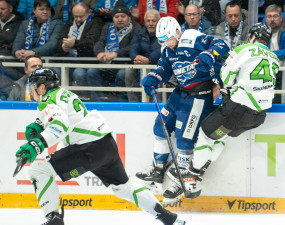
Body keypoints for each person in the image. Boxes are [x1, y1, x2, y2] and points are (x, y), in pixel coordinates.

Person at [15, 67, 186, 225]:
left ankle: (53, 219)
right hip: (105, 144)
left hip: (88, 149)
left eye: (33, 86)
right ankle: (165, 216)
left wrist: (35, 145)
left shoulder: (48, 101)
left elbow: (59, 125)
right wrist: (38, 126)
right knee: (123, 187)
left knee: (38, 170)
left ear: (42, 88)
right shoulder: (62, 94)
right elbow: (57, 117)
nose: (31, 91)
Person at [168, 22, 280, 201]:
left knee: (205, 133)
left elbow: (226, 76)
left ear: (252, 36)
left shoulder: (245, 49)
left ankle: (190, 174)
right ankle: (201, 169)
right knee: (220, 136)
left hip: (238, 108)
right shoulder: (274, 57)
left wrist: (227, 84)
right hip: (258, 116)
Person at [135, 16, 229, 204]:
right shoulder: (167, 48)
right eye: (162, 41)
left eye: (168, 39)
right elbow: (164, 67)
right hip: (179, 95)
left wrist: (210, 53)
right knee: (160, 127)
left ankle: (180, 178)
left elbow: (222, 45)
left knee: (185, 138)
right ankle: (158, 168)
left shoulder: (193, 37)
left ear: (177, 32)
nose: (166, 45)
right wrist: (154, 76)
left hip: (199, 96)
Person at [85, 0, 141, 101]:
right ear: (113, 18)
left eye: (123, 16)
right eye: (116, 17)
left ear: (129, 17)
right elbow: (100, 42)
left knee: (121, 75)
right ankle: (99, 102)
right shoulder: (107, 27)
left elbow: (134, 47)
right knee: (92, 72)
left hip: (125, 64)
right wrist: (99, 52)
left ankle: (122, 102)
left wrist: (115, 54)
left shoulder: (136, 28)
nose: (120, 19)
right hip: (107, 64)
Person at [56, 2, 104, 99]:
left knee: (79, 73)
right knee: (55, 71)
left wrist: (74, 44)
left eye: (81, 16)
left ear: (89, 13)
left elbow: (91, 44)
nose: (78, 19)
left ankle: (88, 99)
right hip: (69, 60)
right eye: (75, 16)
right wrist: (63, 45)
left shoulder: (96, 22)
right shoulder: (70, 23)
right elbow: (60, 39)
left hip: (87, 62)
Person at [126, 9, 161, 102]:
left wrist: (149, 59)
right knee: (129, 71)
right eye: (148, 21)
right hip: (141, 64)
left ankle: (157, 103)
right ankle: (133, 104)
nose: (150, 24)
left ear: (159, 21)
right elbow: (133, 48)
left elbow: (161, 49)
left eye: (153, 21)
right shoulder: (139, 33)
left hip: (158, 64)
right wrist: (135, 58)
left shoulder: (164, 33)